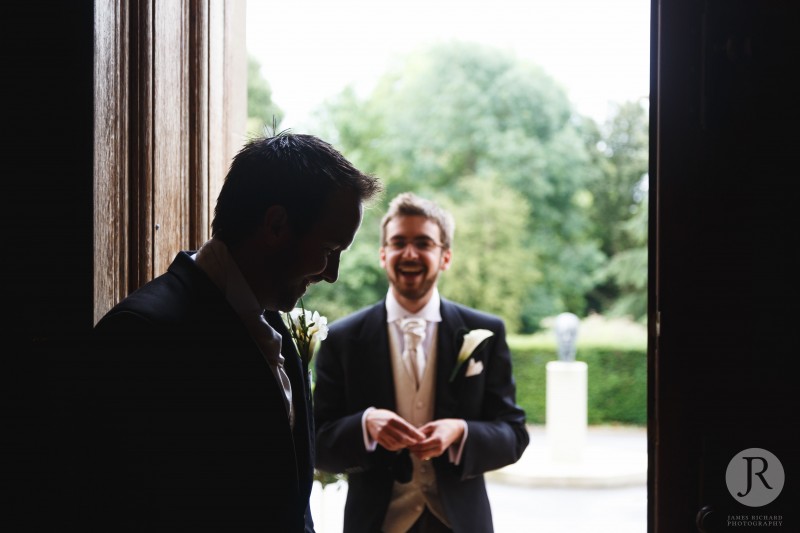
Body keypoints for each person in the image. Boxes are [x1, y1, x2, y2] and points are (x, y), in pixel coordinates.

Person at [65, 132, 382, 532]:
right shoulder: (142, 337)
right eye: (329, 250)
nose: (332, 275)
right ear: (276, 224)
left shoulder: (274, 326)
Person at [313, 192, 529, 532]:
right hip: (376, 523)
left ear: (445, 257)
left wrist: (461, 432)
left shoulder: (486, 332)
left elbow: (514, 435)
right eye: (398, 242)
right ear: (383, 255)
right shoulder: (341, 339)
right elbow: (317, 443)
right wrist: (365, 426)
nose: (410, 253)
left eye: (424, 243)